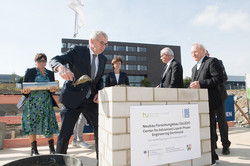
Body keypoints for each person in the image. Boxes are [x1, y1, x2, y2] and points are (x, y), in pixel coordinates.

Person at [49, 31, 108, 164]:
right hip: (72, 99)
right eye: (101, 43)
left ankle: (102, 161)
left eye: (105, 44)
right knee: (65, 135)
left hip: (91, 101)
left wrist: (100, 91)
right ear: (92, 41)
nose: (104, 46)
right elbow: (54, 60)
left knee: (101, 131)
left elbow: (98, 80)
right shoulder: (78, 51)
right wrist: (61, 67)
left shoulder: (103, 59)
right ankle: (60, 163)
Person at [17, 53, 59, 156]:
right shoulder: (30, 71)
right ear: (36, 62)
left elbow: (52, 89)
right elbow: (23, 87)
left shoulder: (50, 73)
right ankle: (34, 150)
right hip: (32, 103)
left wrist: (53, 90)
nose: (42, 63)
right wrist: (24, 91)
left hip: (46, 103)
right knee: (32, 125)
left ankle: (52, 149)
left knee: (48, 124)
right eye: (39, 61)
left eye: (44, 61)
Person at [189, 43, 223, 165]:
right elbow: (195, 83)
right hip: (198, 104)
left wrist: (201, 84)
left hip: (210, 101)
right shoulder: (194, 68)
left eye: (195, 52)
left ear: (203, 51)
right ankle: (209, 154)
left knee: (210, 128)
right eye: (191, 53)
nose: (193, 54)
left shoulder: (212, 61)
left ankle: (212, 157)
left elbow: (218, 79)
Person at [205, 50, 231, 155]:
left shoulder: (217, 62)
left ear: (207, 54)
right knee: (210, 122)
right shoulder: (199, 66)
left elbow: (224, 77)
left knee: (222, 122)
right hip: (208, 98)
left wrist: (210, 81)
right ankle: (213, 143)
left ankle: (225, 145)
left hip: (219, 96)